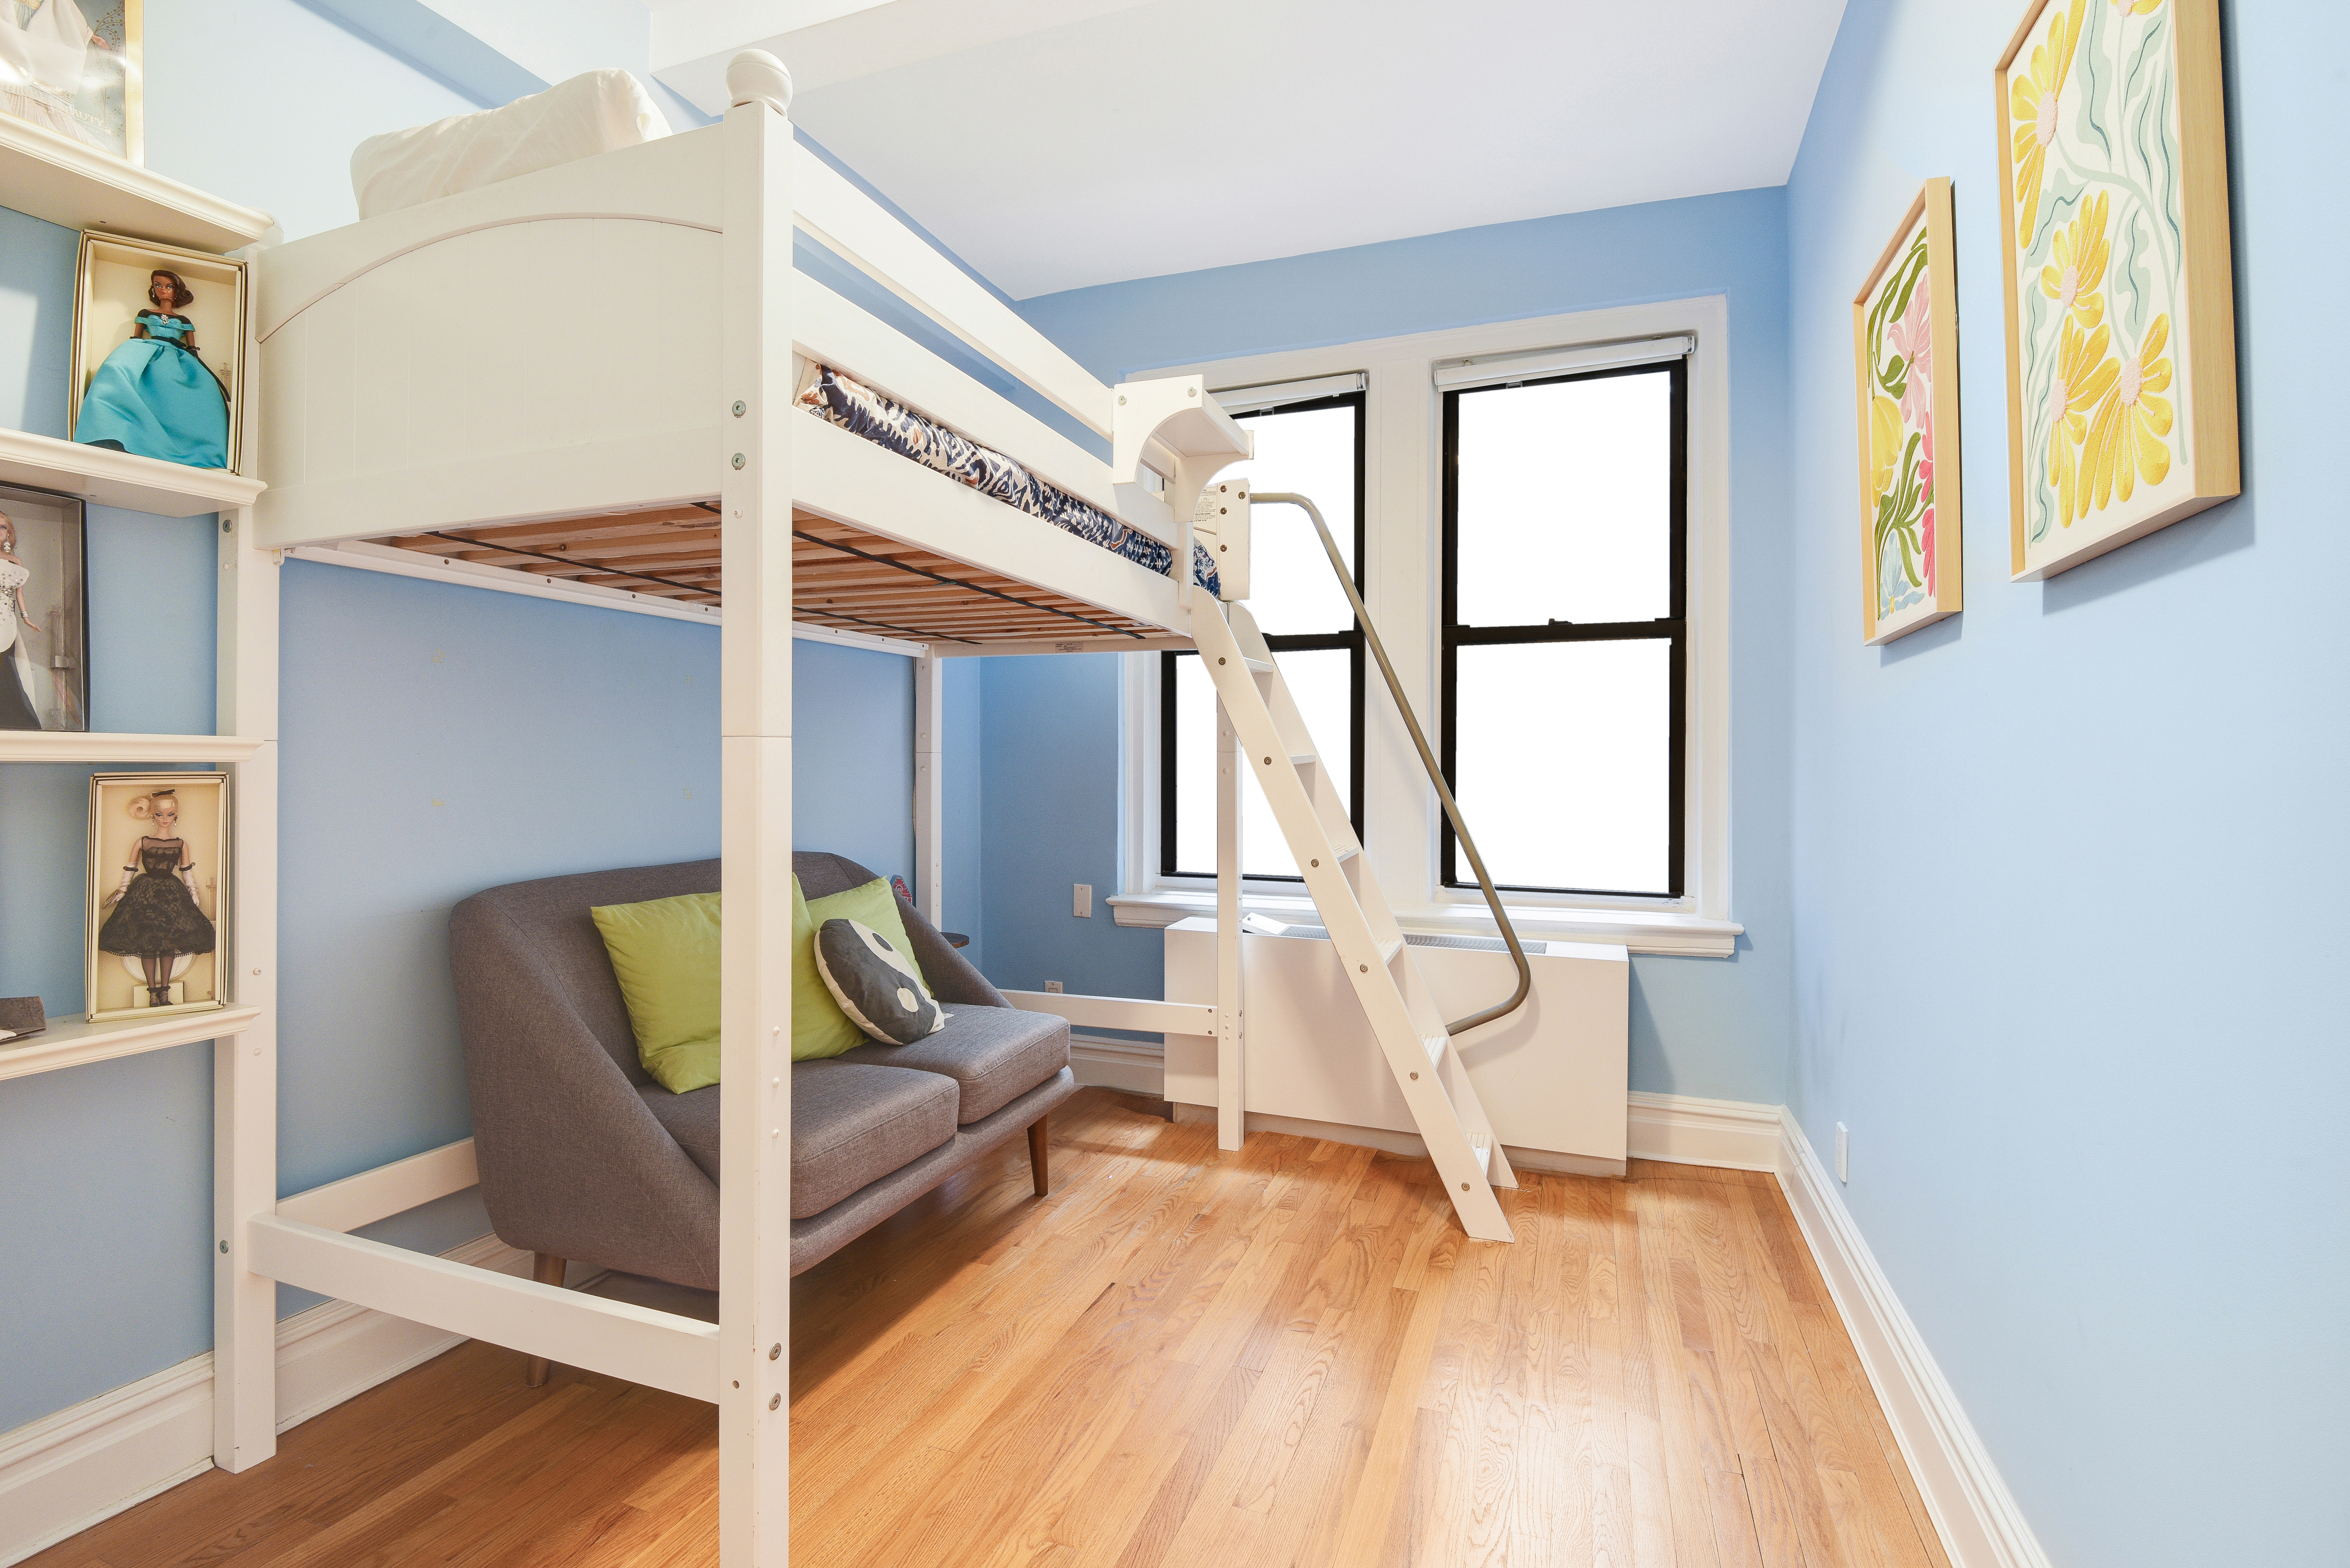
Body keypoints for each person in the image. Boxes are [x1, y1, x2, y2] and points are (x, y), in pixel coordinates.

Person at [74, 269, 231, 468]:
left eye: (169, 286)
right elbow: (137, 338)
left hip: (177, 357)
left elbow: (192, 348)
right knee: (115, 369)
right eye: (158, 285)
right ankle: (108, 428)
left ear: (177, 291)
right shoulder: (146, 314)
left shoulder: (184, 321)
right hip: (145, 352)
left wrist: (196, 368)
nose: (163, 290)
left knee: (193, 394)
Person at [97, 789, 216, 1008]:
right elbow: (130, 868)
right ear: (153, 815)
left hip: (172, 893)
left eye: (170, 815)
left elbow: (186, 870)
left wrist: (194, 893)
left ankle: (165, 993)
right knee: (147, 944)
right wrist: (122, 890)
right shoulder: (142, 842)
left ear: (176, 817)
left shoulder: (180, 844)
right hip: (145, 893)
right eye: (160, 815)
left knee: (169, 943)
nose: (165, 819)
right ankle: (153, 994)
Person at [0, 511, 46, 730]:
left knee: (7, 668)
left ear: (9, 533)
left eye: (3, 528)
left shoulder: (14, 561)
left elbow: (19, 595)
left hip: (6, 619)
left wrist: (26, 618)